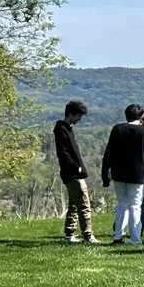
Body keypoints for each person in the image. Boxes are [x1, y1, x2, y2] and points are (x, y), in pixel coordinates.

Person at [101, 103, 144, 245]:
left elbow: (108, 154)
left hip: (118, 174)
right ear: (142, 116)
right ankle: (135, 239)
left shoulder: (117, 129)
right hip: (137, 175)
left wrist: (105, 175)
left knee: (122, 205)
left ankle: (117, 237)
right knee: (135, 206)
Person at [53, 100, 100, 244]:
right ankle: (88, 235)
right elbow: (64, 153)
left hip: (71, 173)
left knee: (74, 204)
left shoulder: (66, 129)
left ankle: (70, 233)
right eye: (79, 116)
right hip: (73, 174)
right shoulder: (62, 130)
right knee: (84, 204)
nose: (80, 119)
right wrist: (77, 168)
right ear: (71, 114)